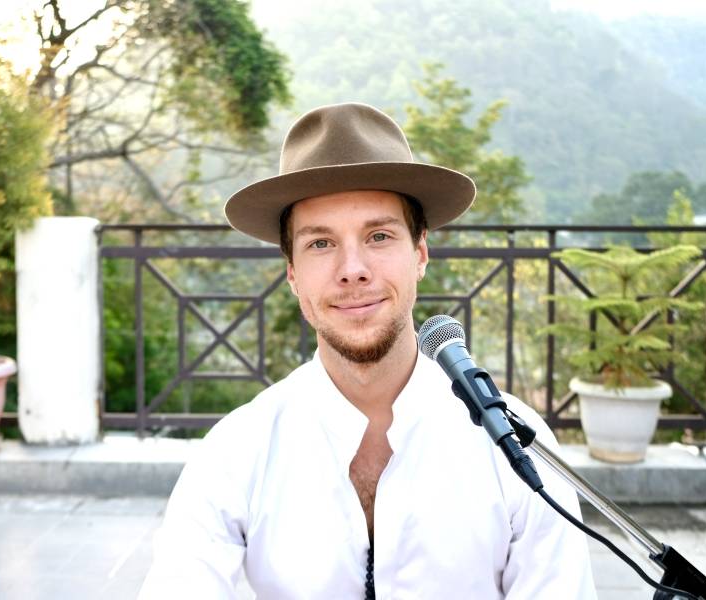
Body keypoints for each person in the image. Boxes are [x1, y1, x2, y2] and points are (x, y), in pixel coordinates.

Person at [138, 103, 597, 599]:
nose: (352, 270)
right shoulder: (237, 451)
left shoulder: (515, 446)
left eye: (379, 236)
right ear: (292, 273)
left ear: (420, 254)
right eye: (320, 244)